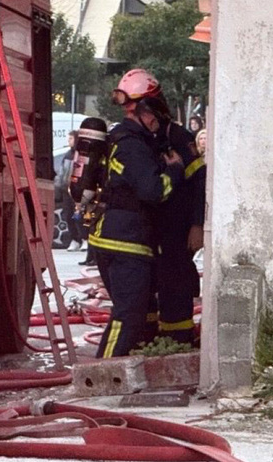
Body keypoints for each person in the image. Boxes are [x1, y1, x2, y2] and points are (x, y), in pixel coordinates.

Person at [89, 69, 184, 358]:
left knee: (133, 313)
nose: (156, 121)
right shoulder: (131, 145)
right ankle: (102, 372)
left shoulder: (129, 141)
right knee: (128, 315)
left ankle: (110, 372)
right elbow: (154, 190)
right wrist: (175, 171)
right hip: (124, 241)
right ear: (142, 109)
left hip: (121, 237)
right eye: (154, 114)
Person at [153, 108, 206, 346]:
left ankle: (179, 338)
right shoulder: (144, 136)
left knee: (177, 279)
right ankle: (161, 335)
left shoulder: (178, 137)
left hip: (179, 224)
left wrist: (197, 225)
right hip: (156, 226)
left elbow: (200, 182)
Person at [69, 118, 110, 266]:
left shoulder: (90, 153)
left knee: (92, 225)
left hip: (91, 193)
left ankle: (92, 257)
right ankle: (92, 257)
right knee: (92, 226)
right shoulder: (103, 153)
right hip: (95, 194)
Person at [58, 131, 85, 251]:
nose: (68, 141)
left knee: (78, 216)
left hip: (78, 190)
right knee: (69, 215)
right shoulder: (68, 154)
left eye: (70, 138)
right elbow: (62, 172)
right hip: (66, 189)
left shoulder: (81, 154)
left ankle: (84, 238)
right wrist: (60, 185)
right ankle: (75, 239)